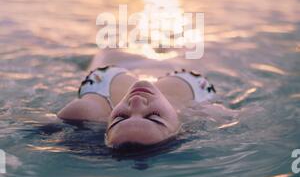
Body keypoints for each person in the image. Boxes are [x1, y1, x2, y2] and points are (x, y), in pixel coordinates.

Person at [57, 51, 217, 149]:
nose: (136, 102)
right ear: (180, 131)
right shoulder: (209, 117)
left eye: (120, 118)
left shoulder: (86, 111)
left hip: (121, 54)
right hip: (181, 53)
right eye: (153, 116)